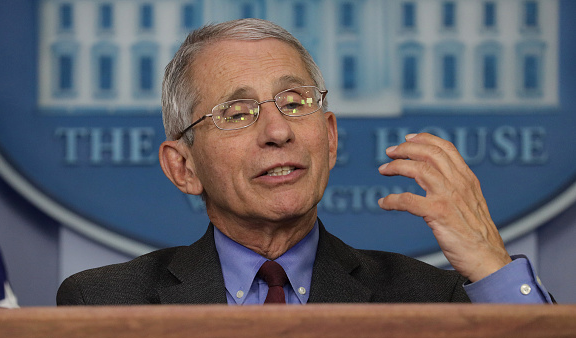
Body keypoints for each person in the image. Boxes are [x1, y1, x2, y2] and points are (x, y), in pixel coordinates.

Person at [57, 19, 552, 306]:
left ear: (330, 139)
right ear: (183, 167)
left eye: (295, 102)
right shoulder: (103, 303)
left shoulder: (427, 297)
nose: (278, 131)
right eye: (238, 112)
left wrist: (493, 269)